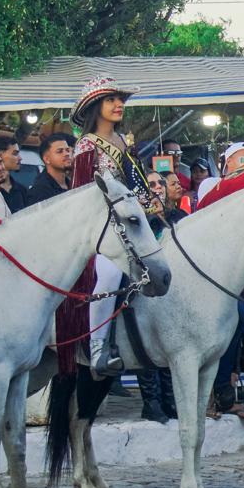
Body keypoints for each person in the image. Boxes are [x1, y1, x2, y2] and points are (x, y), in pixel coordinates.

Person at [68, 76, 163, 375]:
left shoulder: (124, 141)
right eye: (111, 99)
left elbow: (136, 183)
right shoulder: (86, 145)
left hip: (134, 222)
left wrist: (151, 203)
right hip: (102, 228)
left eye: (120, 99)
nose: (119, 104)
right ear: (95, 106)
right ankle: (97, 347)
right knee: (109, 274)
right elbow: (81, 193)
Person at [22, 131, 74, 207]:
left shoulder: (72, 184)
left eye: (67, 150)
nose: (67, 154)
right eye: (59, 151)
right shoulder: (40, 191)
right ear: (47, 159)